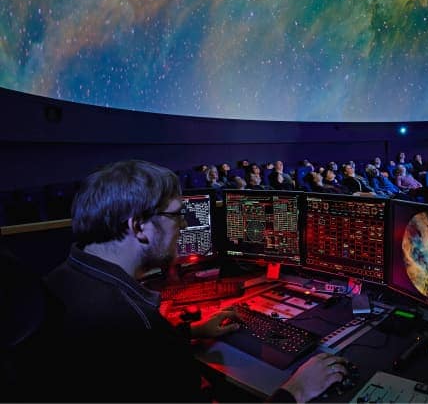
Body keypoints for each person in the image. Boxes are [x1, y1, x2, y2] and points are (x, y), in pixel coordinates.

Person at [44, 160, 347, 402]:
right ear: (139, 227)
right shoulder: (135, 326)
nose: (185, 224)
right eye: (177, 215)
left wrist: (192, 331)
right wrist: (295, 392)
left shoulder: (61, 280)